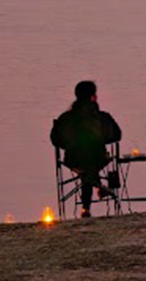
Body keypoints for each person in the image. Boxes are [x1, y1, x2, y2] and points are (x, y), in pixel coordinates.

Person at [50, 80, 122, 218]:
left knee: (86, 167)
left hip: (73, 159)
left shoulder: (65, 118)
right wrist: (101, 139)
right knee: (90, 162)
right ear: (93, 97)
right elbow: (116, 135)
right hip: (98, 158)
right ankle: (98, 188)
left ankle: (86, 206)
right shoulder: (102, 117)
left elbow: (55, 139)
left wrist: (70, 144)